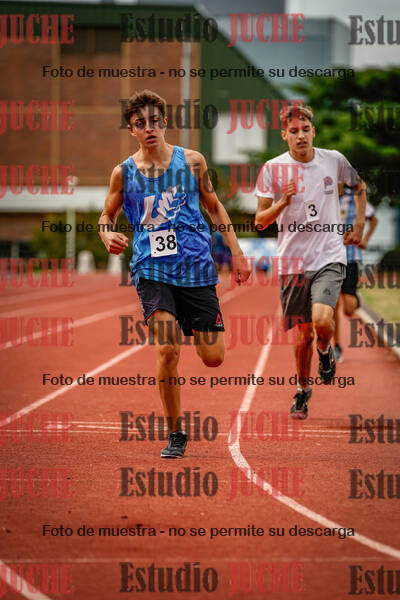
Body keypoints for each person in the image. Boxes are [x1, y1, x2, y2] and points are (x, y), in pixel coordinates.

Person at [98, 89, 251, 457]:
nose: (148, 128)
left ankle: (191, 318)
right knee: (167, 349)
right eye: (140, 124)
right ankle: (176, 432)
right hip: (151, 268)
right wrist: (106, 234)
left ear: (164, 123)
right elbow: (107, 215)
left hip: (196, 267)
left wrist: (237, 251)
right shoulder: (124, 173)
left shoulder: (193, 162)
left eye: (154, 121)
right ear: (132, 130)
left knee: (213, 357)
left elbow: (214, 207)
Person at [255, 103, 366, 419]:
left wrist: (358, 225)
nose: (301, 136)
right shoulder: (272, 169)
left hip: (329, 255)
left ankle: (325, 349)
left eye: (305, 129)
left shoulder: (333, 160)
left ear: (313, 130)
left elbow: (360, 186)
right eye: (294, 131)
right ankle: (303, 390)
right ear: (284, 135)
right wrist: (283, 202)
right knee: (303, 335)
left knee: (321, 320)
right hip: (293, 262)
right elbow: (260, 221)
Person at [334, 184, 378, 362]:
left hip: (351, 258)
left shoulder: (355, 197)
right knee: (332, 306)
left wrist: (365, 238)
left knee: (348, 310)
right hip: (330, 259)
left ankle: (354, 298)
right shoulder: (325, 197)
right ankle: (336, 346)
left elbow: (373, 219)